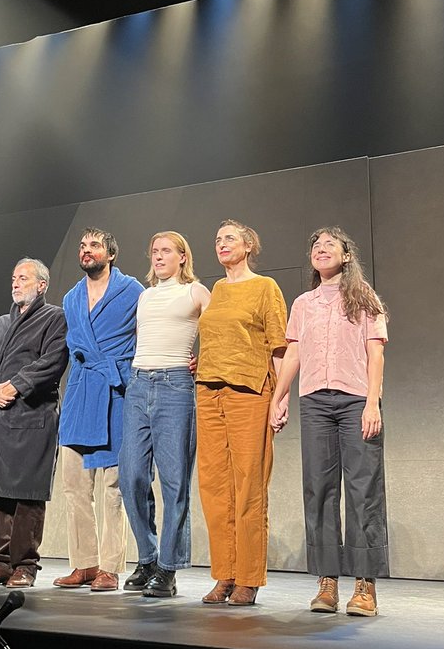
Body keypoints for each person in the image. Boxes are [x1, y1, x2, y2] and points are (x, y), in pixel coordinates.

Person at [269, 226, 389, 616]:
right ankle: (327, 581)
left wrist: (373, 403)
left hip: (355, 401)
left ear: (346, 255)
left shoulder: (363, 298)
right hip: (315, 403)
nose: (320, 249)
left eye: (329, 245)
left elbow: (376, 355)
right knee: (319, 490)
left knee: (363, 489)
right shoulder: (303, 303)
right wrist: (279, 396)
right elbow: (293, 354)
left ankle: (365, 584)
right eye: (315, 245)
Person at [195, 219, 287, 606]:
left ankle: (248, 577)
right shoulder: (216, 288)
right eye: (217, 239)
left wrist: (280, 399)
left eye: (229, 238)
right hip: (208, 392)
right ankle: (225, 574)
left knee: (248, 485)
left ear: (249, 245)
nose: (221, 244)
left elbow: (279, 347)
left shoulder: (265, 287)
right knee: (214, 487)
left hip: (250, 392)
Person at [118, 232, 211, 598]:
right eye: (154, 251)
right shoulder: (145, 294)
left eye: (166, 251)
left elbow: (223, 331)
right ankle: (148, 556)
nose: (158, 256)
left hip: (175, 387)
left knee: (174, 482)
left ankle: (168, 569)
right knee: (131, 476)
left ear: (183, 257)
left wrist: (204, 361)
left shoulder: (197, 292)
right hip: (139, 384)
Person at [54, 228, 144, 593]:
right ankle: (84, 563)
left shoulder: (132, 290)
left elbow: (149, 333)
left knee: (113, 488)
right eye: (82, 245)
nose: (86, 250)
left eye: (94, 245)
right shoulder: (71, 297)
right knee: (74, 485)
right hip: (80, 390)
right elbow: (73, 341)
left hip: (115, 391)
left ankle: (110, 567)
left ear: (110, 253)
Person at [0, 258, 69, 588]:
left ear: (41, 285)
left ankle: (25, 565)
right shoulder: (1, 324)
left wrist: (14, 385)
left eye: (23, 278)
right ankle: (0, 564)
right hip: (1, 417)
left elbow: (52, 361)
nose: (15, 283)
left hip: (33, 415)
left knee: (27, 494)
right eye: (13, 278)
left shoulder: (54, 318)